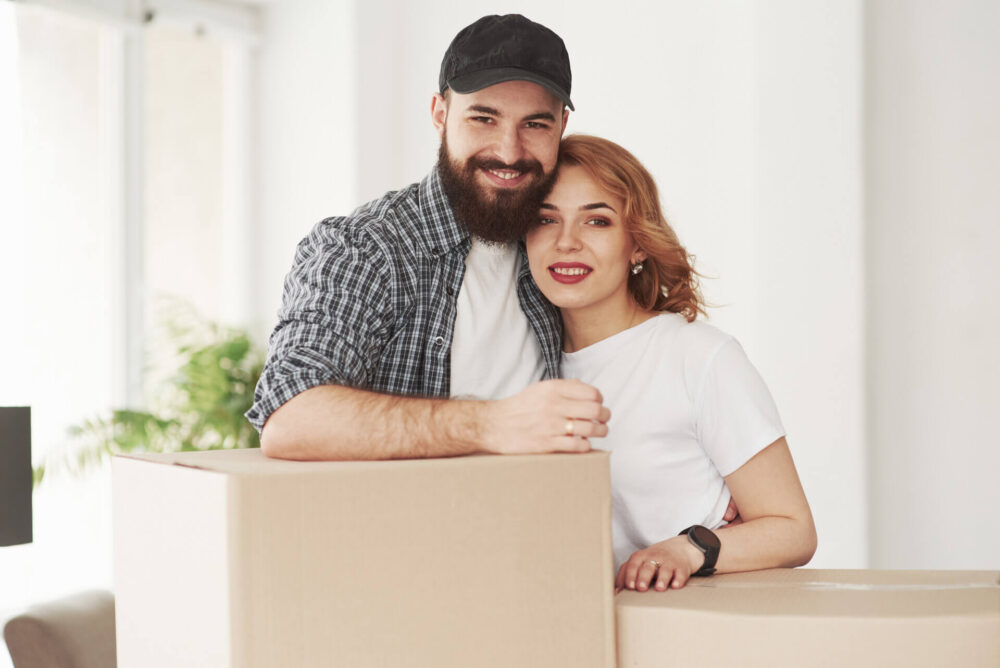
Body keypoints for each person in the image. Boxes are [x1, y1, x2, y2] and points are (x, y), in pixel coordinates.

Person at [246, 15, 613, 459]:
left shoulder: (556, 246)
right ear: (440, 114)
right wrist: (490, 423)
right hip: (404, 526)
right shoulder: (366, 249)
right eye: (483, 118)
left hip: (535, 521)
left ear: (562, 125)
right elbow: (290, 419)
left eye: (535, 125)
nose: (509, 151)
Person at [524, 134, 817, 591]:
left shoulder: (697, 356)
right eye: (546, 219)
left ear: (637, 244)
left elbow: (794, 528)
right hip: (578, 636)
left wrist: (689, 548)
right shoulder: (522, 369)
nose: (566, 243)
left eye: (596, 221)